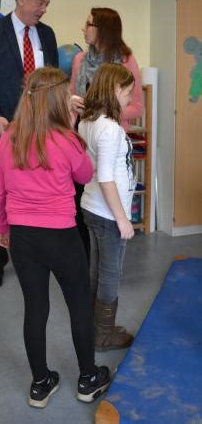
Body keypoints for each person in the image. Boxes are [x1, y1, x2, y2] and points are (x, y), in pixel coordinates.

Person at [0, 67, 111, 408]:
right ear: (60, 101)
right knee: (77, 305)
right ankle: (88, 379)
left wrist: (2, 227)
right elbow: (86, 174)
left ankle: (40, 384)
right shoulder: (66, 139)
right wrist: (73, 130)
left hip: (23, 237)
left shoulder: (8, 137)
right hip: (61, 235)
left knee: (35, 308)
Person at [0, 0, 58, 289]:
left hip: (40, 131)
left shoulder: (46, 35)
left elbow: (53, 82)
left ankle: (35, 255)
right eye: (39, 2)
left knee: (37, 194)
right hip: (2, 131)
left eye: (46, 3)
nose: (43, 9)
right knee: (0, 196)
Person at [70, 7, 143, 262]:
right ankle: (86, 261)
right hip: (83, 139)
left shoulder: (125, 60)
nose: (83, 28)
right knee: (84, 201)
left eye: (88, 23)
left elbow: (137, 106)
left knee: (107, 196)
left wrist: (105, 112)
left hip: (109, 139)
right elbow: (71, 97)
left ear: (102, 29)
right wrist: (74, 104)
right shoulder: (79, 60)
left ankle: (106, 264)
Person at [78, 63, 136, 351]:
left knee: (97, 269)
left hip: (93, 207)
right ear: (114, 90)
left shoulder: (88, 121)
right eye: (128, 92)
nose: (130, 99)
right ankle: (103, 335)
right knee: (110, 273)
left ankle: (95, 327)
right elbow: (106, 177)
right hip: (107, 212)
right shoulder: (110, 128)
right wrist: (122, 219)